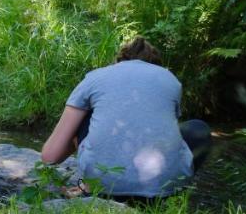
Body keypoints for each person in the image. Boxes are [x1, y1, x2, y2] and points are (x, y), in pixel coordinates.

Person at [39, 36, 211, 200]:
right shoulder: (170, 79)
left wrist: (78, 144)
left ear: (119, 60)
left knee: (87, 115)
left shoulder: (96, 77)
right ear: (156, 64)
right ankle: (172, 191)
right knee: (198, 129)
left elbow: (50, 156)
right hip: (161, 193)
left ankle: (88, 186)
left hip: (102, 189)